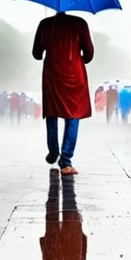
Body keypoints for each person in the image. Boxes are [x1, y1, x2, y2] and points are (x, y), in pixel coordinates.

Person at [32, 10, 94, 175]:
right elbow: (88, 55)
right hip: (75, 76)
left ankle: (53, 152)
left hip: (52, 76)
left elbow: (36, 54)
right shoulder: (80, 23)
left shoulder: (45, 24)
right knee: (73, 117)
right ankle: (65, 161)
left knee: (52, 115)